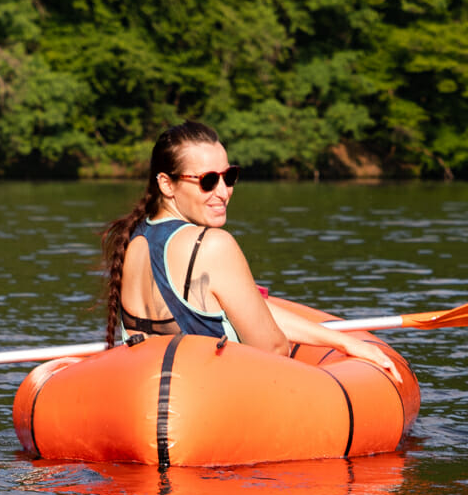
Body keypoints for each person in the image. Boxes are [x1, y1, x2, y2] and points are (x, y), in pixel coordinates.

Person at [99, 120, 398, 374]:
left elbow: (247, 310)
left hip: (152, 391)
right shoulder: (212, 245)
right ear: (166, 184)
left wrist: (343, 342)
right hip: (208, 403)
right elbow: (274, 349)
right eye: (208, 181)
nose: (223, 192)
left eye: (229, 177)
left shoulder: (135, 237)